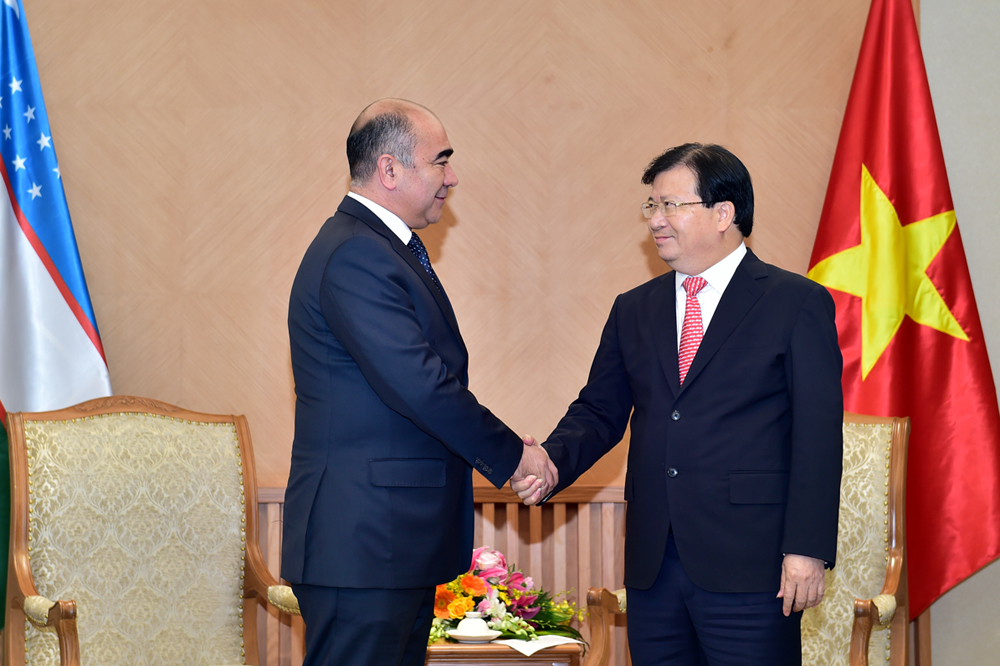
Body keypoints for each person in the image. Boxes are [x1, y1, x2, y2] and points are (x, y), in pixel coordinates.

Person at [515, 143, 843, 665]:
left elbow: (818, 436)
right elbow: (599, 410)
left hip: (753, 566)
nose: (655, 220)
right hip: (655, 567)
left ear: (723, 213)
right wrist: (549, 463)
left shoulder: (795, 302)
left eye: (671, 205)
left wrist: (806, 548)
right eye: (652, 205)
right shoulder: (634, 308)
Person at [283, 99, 556, 666]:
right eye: (441, 161)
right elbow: (422, 386)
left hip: (388, 545)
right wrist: (514, 456)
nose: (452, 178)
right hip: (364, 544)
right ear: (389, 169)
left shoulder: (381, 248)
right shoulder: (356, 254)